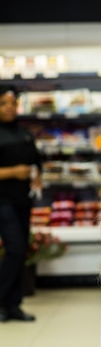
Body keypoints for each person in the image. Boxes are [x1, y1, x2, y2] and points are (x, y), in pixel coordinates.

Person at [0, 85, 41, 322]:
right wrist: (13, 172)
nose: (9, 108)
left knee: (21, 250)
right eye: (4, 103)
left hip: (22, 201)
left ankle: (13, 305)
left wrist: (37, 174)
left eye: (12, 103)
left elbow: (36, 162)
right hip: (2, 201)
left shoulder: (24, 133)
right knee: (14, 249)